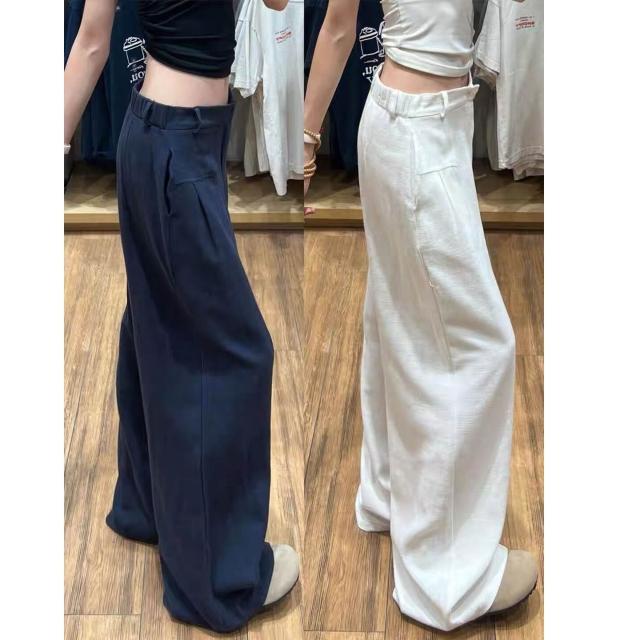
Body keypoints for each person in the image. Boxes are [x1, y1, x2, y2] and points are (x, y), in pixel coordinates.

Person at [64, 0, 298, 632]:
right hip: (179, 149)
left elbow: (92, 42)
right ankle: (215, 578)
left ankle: (145, 508)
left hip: (156, 137)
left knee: (155, 326)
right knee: (238, 351)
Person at [304, 0, 537, 631]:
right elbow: (336, 25)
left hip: (409, 121)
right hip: (418, 131)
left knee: (397, 316)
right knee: (481, 343)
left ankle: (389, 495)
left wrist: (306, 133)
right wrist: (304, 134)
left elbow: (339, 25)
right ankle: (449, 580)